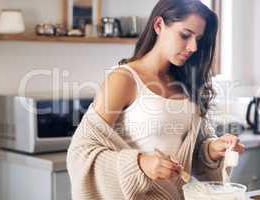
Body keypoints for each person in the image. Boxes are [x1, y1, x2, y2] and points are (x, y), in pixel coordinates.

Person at [66, 0, 245, 199]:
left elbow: (191, 152)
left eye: (198, 39)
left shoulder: (187, 83)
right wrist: (140, 163)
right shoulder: (124, 79)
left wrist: (212, 149)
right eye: (185, 35)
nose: (193, 47)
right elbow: (81, 151)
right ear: (159, 25)